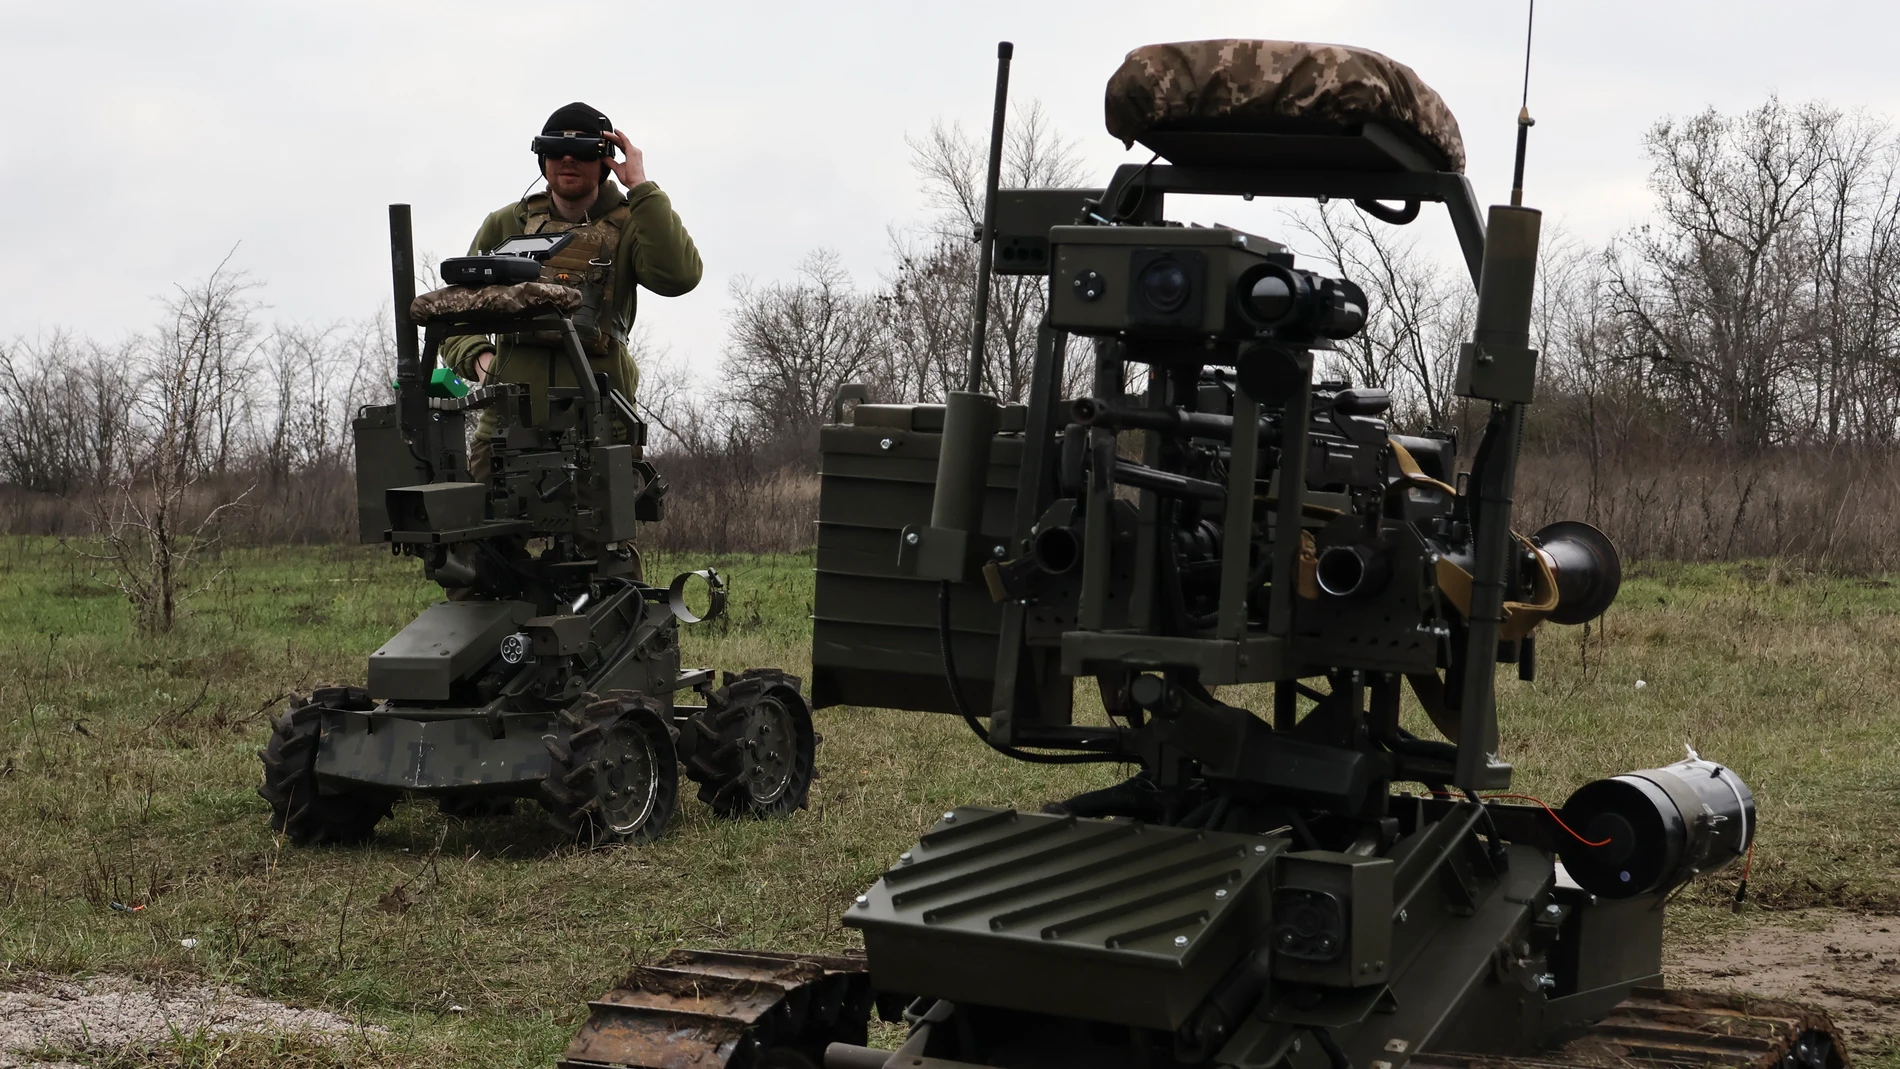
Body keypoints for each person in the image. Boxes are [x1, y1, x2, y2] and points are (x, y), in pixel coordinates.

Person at [443, 102, 702, 471]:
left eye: (583, 151)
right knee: (486, 529)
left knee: (600, 530)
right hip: (507, 425)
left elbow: (679, 277)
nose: (568, 160)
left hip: (601, 424)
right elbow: (453, 312)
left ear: (605, 161)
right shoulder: (507, 223)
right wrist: (483, 362)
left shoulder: (634, 222)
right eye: (554, 150)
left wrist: (643, 190)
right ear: (541, 158)